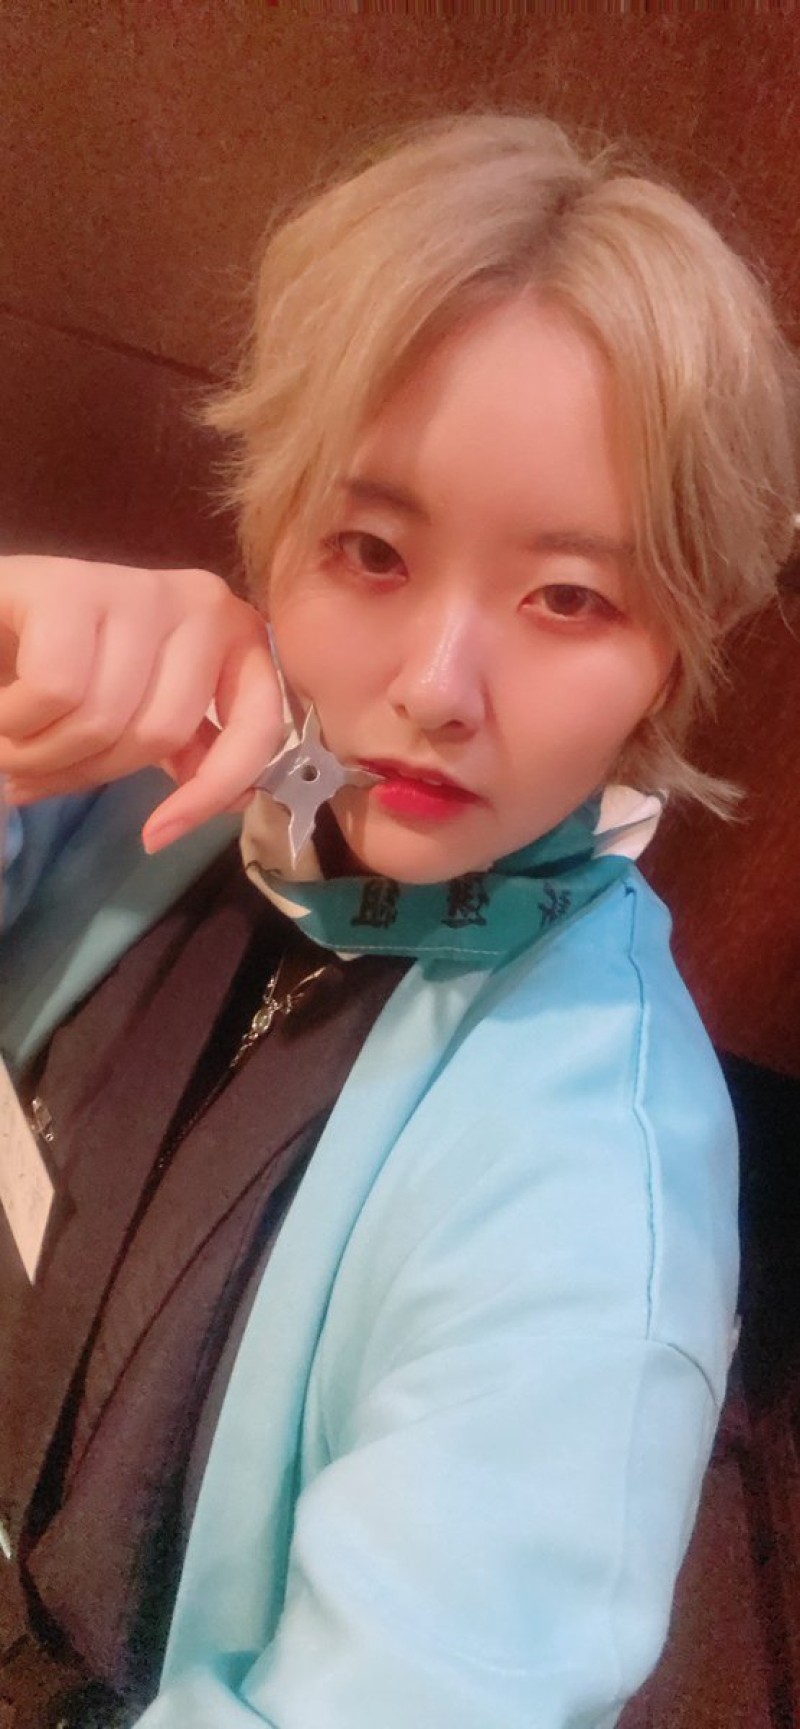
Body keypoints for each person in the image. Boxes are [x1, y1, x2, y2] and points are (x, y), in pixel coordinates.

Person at [0, 113, 796, 1729]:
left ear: (677, 641)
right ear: (272, 529)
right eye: (369, 549)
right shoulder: (126, 789)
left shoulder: (591, 1195)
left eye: (568, 595)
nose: (436, 689)